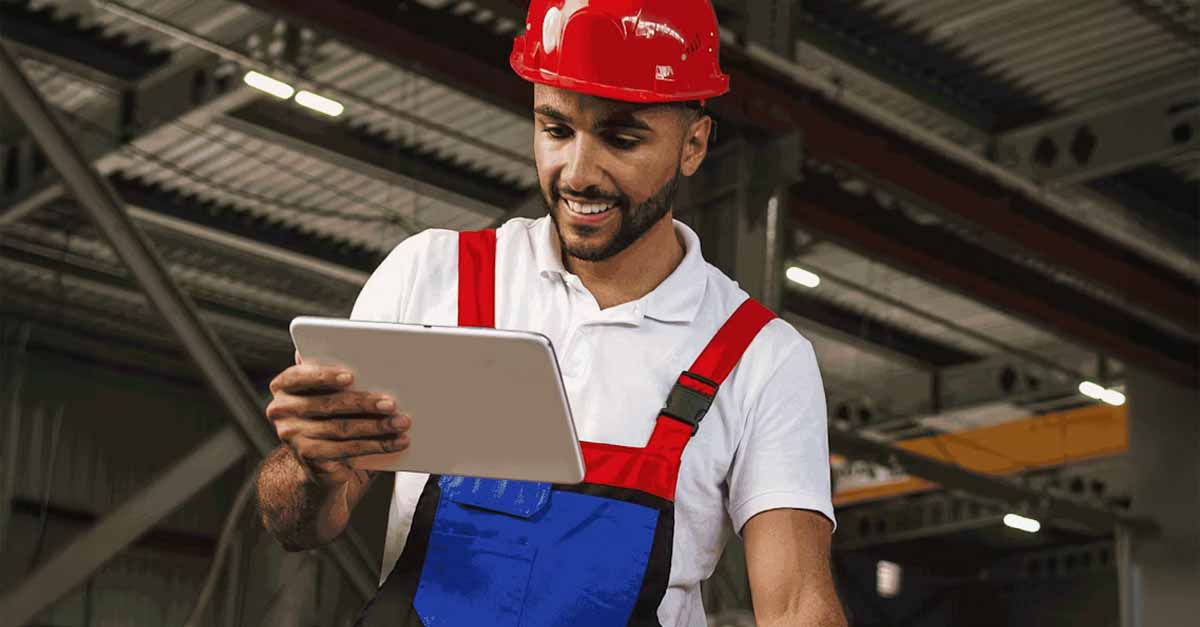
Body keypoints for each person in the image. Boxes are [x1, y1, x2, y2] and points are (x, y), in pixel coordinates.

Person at [255, 1, 846, 625]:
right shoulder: (430, 278)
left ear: (694, 144)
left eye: (621, 138)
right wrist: (311, 467)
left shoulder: (758, 356)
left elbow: (797, 605)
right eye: (556, 129)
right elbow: (298, 525)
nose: (578, 173)